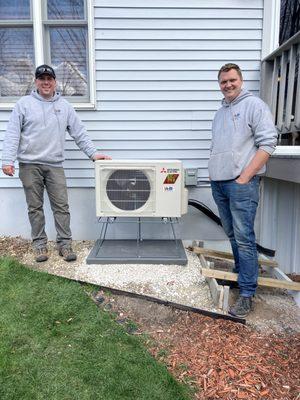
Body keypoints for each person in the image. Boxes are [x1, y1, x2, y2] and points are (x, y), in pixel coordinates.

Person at [2, 64, 110, 263]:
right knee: (35, 207)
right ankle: (39, 245)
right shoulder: (23, 104)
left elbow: (79, 132)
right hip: (29, 165)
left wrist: (93, 154)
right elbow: (12, 134)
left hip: (54, 166)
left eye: (49, 79)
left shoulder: (64, 106)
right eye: (41, 79)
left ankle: (65, 244)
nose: (45, 82)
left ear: (54, 82)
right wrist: (8, 160)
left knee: (61, 206)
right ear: (36, 82)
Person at [208, 63, 277, 318]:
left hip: (241, 184)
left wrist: (245, 176)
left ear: (241, 80)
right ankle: (241, 277)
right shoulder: (220, 112)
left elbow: (268, 143)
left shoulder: (254, 106)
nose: (228, 85)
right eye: (223, 81)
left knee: (244, 238)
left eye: (232, 80)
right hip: (219, 183)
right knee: (233, 235)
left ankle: (247, 294)